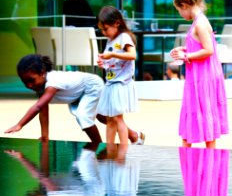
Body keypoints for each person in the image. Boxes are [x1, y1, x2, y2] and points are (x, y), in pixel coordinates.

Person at [4, 54, 143, 144]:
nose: (29, 85)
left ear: (42, 73)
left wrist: (20, 124)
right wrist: (45, 136)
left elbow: (37, 107)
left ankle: (100, 146)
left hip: (91, 86)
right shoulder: (41, 85)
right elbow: (44, 111)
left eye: (31, 80)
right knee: (102, 118)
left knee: (83, 116)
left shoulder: (52, 82)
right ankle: (135, 136)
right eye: (25, 82)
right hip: (79, 95)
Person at [170, 0, 229, 148]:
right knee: (202, 125)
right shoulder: (199, 21)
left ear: (184, 5)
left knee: (206, 128)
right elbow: (202, 47)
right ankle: (201, 167)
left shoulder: (200, 23)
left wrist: (186, 56)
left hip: (204, 79)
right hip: (200, 77)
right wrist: (185, 51)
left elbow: (209, 50)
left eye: (178, 10)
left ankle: (203, 166)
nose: (180, 15)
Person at [96, 5, 145, 145]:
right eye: (102, 30)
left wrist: (111, 54)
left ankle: (123, 150)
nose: (104, 33)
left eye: (106, 29)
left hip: (121, 83)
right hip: (111, 83)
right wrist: (104, 62)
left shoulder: (124, 37)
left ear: (117, 23)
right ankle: (110, 148)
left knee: (117, 118)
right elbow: (113, 62)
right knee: (110, 118)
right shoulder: (110, 40)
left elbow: (132, 55)